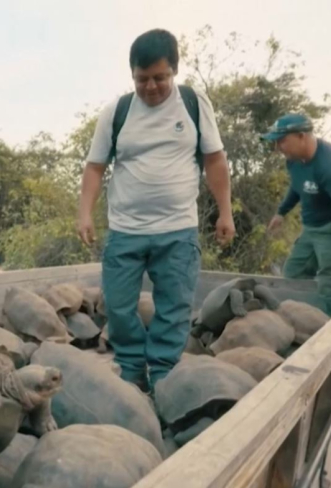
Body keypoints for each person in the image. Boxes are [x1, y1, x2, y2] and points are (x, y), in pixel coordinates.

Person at [77, 28, 235, 391]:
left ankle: (162, 373)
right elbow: (95, 167)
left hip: (177, 229)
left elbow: (214, 160)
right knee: (117, 306)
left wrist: (224, 212)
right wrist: (84, 212)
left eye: (159, 78)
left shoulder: (193, 104)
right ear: (132, 75)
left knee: (175, 307)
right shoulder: (117, 112)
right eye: (141, 79)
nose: (150, 87)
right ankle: (132, 370)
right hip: (125, 230)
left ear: (174, 71)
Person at [263, 113, 331, 316]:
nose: (278, 148)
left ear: (302, 136)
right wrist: (281, 212)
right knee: (293, 275)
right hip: (312, 229)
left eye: (282, 141)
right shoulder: (294, 160)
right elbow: (298, 186)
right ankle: (304, 323)